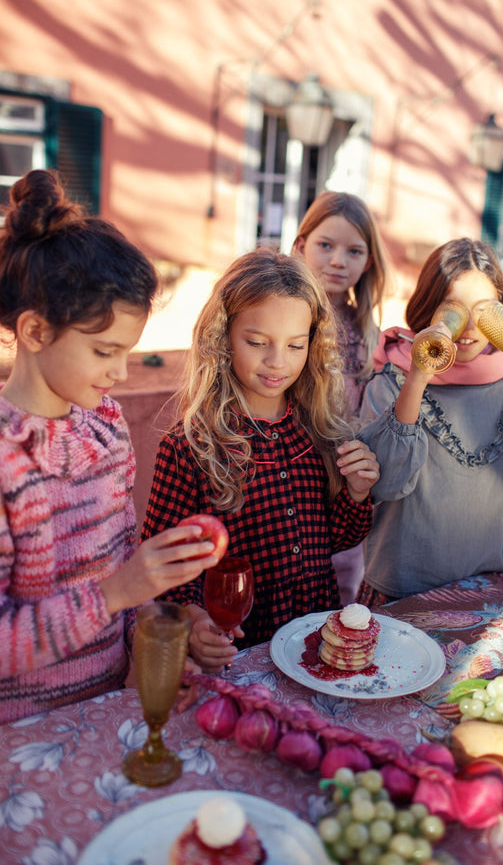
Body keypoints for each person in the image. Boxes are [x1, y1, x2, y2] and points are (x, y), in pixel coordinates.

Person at [0, 170, 219, 723]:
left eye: (128, 351)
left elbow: (127, 576)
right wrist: (115, 592)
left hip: (102, 710)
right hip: (19, 736)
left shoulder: (105, 428)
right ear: (34, 333)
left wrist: (160, 645)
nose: (120, 372)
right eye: (104, 352)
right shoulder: (7, 463)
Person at [141, 248, 379, 672]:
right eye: (256, 342)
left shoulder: (321, 431)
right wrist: (195, 622)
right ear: (223, 337)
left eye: (295, 345)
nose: (277, 362)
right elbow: (166, 571)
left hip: (315, 652)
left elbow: (338, 538)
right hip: (240, 659)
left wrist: (357, 493)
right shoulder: (190, 446)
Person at [357, 237, 503, 603]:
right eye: (453, 310)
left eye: (484, 311)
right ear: (428, 309)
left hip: (492, 592)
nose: (467, 328)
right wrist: (418, 376)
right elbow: (385, 483)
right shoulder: (392, 380)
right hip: (403, 595)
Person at [292, 191, 390, 603]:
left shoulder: (369, 336)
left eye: (353, 251)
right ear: (300, 246)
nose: (337, 261)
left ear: (368, 262)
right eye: (325, 245)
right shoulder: (285, 317)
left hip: (343, 493)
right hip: (288, 482)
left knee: (339, 602)